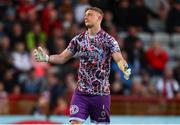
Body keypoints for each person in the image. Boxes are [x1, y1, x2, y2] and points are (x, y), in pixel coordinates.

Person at [33, 7, 131, 124]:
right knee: (74, 122)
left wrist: (124, 68)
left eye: (90, 14)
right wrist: (48, 58)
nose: (86, 17)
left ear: (99, 18)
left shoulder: (109, 40)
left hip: (100, 94)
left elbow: (119, 59)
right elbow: (62, 57)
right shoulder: (78, 40)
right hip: (81, 93)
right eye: (85, 15)